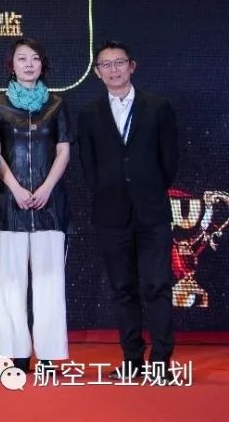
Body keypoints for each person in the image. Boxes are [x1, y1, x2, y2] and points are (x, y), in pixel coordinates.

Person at [78, 41, 178, 380]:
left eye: (119, 62)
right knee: (122, 289)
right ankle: (132, 360)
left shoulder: (157, 107)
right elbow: (88, 164)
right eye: (106, 64)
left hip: (152, 212)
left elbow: (169, 161)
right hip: (111, 214)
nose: (114, 69)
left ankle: (161, 362)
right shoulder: (89, 113)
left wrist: (146, 188)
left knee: (156, 286)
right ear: (97, 72)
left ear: (131, 66)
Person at [0, 38, 71, 373]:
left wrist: (47, 188)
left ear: (42, 64)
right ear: (12, 65)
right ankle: (15, 352)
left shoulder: (57, 104)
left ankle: (48, 354)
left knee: (50, 282)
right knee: (9, 284)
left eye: (35, 58)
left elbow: (63, 150)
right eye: (22, 59)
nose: (29, 64)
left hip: (50, 206)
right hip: (9, 205)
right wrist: (17, 189)